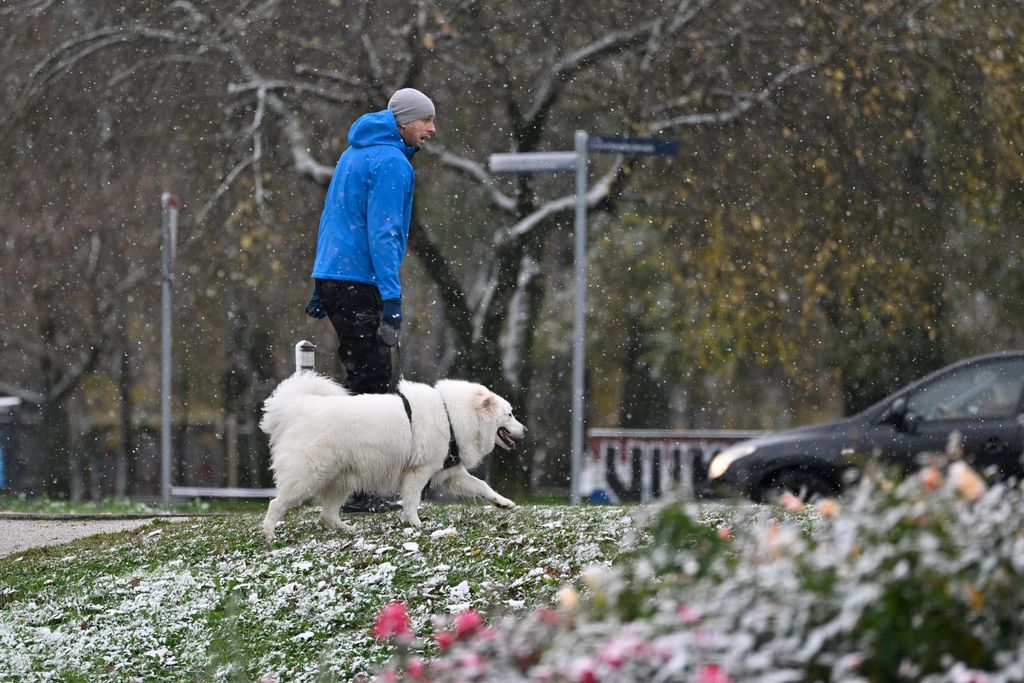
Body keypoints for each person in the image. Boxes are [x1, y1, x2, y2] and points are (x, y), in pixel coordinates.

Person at [304, 88, 436, 512]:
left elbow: (332, 217)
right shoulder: (392, 162)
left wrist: (320, 279)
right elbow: (384, 232)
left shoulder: (353, 154)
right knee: (373, 384)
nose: (432, 129)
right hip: (361, 280)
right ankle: (357, 491)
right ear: (404, 123)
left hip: (336, 274)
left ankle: (345, 483)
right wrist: (392, 295)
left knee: (363, 376)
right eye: (426, 121)